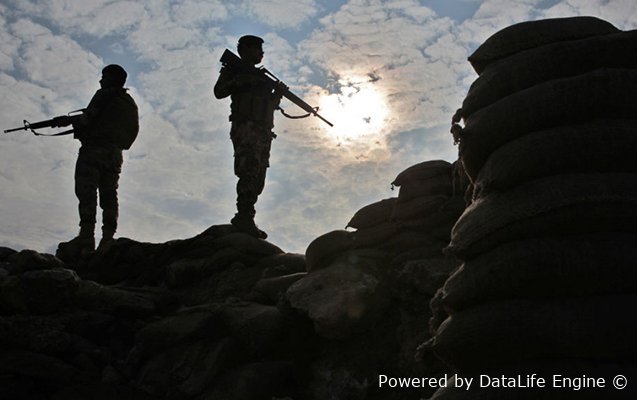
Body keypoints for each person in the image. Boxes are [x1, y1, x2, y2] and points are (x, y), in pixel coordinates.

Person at [56, 64, 139, 256]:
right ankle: (108, 238)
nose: (101, 80)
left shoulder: (103, 95)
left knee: (87, 191)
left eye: (104, 76)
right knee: (109, 195)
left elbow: (87, 120)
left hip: (95, 150)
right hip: (115, 154)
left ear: (113, 78)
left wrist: (69, 122)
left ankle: (86, 237)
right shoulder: (128, 102)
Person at [214, 35, 288, 239]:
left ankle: (248, 216)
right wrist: (241, 80)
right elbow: (219, 92)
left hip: (264, 131)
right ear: (244, 49)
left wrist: (278, 93)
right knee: (248, 170)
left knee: (259, 175)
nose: (261, 53)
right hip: (245, 127)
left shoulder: (262, 79)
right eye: (257, 49)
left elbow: (270, 106)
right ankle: (243, 216)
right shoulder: (234, 70)